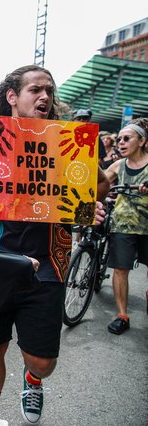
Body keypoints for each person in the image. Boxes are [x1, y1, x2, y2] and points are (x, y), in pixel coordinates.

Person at [0, 65, 108, 426]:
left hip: (49, 266)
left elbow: (99, 185)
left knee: (43, 361)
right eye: (36, 90)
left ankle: (32, 379)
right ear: (12, 96)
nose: (45, 97)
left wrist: (89, 206)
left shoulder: (68, 145)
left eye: (50, 92)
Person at [103, 118, 148, 335]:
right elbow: (98, 181)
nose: (120, 142)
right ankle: (122, 315)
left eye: (126, 138)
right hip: (123, 225)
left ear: (142, 141)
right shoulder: (118, 165)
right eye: (119, 138)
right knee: (120, 270)